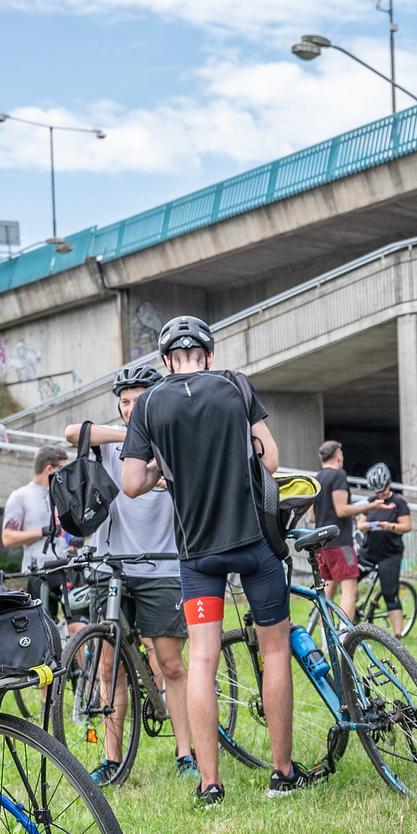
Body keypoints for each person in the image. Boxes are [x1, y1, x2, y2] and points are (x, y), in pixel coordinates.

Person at [119, 317, 299, 802]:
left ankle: (209, 783)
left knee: (201, 659)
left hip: (197, 554)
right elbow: (272, 459)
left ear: (165, 362)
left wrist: (163, 460)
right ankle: (282, 773)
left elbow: (132, 483)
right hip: (252, 543)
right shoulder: (236, 385)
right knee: (275, 650)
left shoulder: (150, 403)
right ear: (209, 355)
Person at [63, 363, 199, 783]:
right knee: (108, 667)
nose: (128, 409)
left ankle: (185, 754)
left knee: (171, 664)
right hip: (111, 567)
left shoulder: (175, 443)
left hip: (162, 566)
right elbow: (72, 432)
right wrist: (132, 434)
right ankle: (111, 758)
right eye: (123, 403)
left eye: (137, 402)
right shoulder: (109, 444)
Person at [312, 441, 384, 621]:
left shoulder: (317, 477)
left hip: (321, 546)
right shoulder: (339, 475)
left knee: (327, 591)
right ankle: (345, 636)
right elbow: (342, 510)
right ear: (338, 456)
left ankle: (325, 638)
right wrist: (370, 505)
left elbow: (312, 516)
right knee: (349, 588)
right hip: (341, 543)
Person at [3, 442, 69, 595]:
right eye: (62, 468)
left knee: (77, 618)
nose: (65, 473)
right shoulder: (20, 496)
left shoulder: (65, 494)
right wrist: (41, 532)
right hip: (38, 571)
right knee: (43, 618)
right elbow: (7, 538)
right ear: (49, 469)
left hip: (67, 566)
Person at [357, 468, 413, 634]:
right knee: (349, 581)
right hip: (368, 552)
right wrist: (364, 527)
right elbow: (360, 523)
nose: (380, 495)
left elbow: (407, 526)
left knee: (390, 593)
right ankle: (351, 617)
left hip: (390, 554)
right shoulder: (370, 502)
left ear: (389, 484)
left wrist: (390, 527)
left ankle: (397, 635)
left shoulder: (399, 502)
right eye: (377, 492)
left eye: (383, 491)